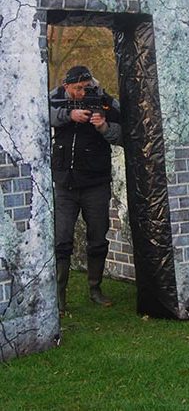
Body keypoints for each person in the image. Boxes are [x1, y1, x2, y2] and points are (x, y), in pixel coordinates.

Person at [50, 65, 122, 315]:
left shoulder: (103, 100)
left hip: (96, 184)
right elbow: (39, 114)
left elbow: (126, 131)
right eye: (77, 88)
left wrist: (103, 127)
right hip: (65, 185)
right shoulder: (55, 98)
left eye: (85, 87)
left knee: (98, 238)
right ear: (66, 86)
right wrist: (69, 115)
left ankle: (95, 289)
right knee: (62, 240)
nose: (82, 93)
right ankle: (59, 295)